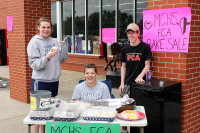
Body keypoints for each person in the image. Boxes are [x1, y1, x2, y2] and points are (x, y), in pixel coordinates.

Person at [27, 17, 68, 133]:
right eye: (43, 27)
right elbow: (34, 64)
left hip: (54, 81)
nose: (46, 29)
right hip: (41, 83)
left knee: (48, 113)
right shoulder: (34, 42)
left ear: (51, 28)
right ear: (38, 28)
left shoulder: (54, 41)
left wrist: (64, 48)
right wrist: (47, 57)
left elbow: (61, 59)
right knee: (37, 114)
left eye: (48, 27)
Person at [119, 23, 152, 133]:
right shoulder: (125, 49)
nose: (130, 35)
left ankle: (138, 130)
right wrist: (122, 83)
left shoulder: (145, 47)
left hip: (139, 85)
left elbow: (147, 65)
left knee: (138, 111)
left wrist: (140, 76)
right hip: (127, 84)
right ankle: (124, 131)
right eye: (129, 33)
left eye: (132, 32)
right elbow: (123, 66)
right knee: (124, 110)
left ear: (138, 33)